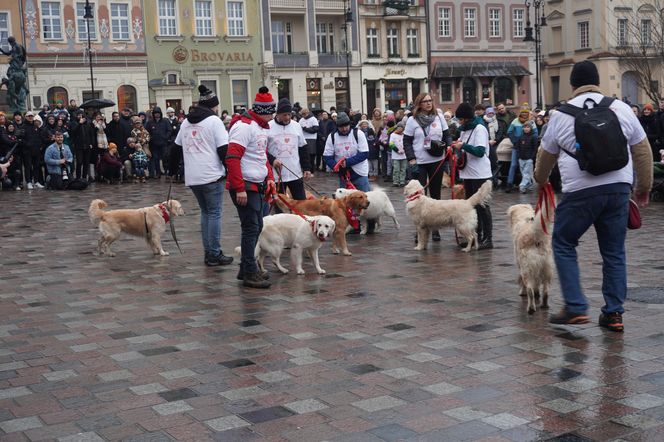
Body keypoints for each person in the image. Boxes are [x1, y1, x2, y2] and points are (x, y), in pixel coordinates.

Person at [534, 60, 653, 331]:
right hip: (618, 189)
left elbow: (545, 157)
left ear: (573, 85)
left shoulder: (561, 115)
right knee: (614, 252)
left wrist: (541, 182)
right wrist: (643, 188)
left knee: (564, 242)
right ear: (597, 81)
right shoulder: (620, 108)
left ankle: (575, 306)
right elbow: (642, 150)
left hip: (580, 192)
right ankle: (614, 314)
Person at [175, 84, 234, 267]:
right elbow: (224, 149)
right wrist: (231, 170)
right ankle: (214, 253)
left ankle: (209, 252)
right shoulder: (214, 121)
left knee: (206, 213)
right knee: (214, 213)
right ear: (213, 105)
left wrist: (172, 169)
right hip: (211, 174)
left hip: (193, 176)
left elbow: (175, 148)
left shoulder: (186, 122)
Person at [226, 86, 277, 288]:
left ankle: (245, 267)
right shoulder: (244, 127)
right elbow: (232, 158)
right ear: (264, 112)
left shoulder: (260, 127)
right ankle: (249, 271)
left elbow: (261, 157)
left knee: (258, 226)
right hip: (245, 186)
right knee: (251, 228)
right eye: (271, 111)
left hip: (257, 184)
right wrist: (239, 188)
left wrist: (270, 177)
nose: (273, 115)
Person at [404, 92, 451, 242]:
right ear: (419, 104)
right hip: (419, 161)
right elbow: (406, 141)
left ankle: (435, 228)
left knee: (436, 195)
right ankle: (420, 229)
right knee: (419, 196)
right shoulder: (412, 120)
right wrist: (411, 158)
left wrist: (449, 146)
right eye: (425, 101)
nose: (429, 103)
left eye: (430, 100)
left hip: (437, 159)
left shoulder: (439, 117)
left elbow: (447, 135)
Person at [451, 103, 493, 250]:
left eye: (461, 119)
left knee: (482, 206)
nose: (459, 122)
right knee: (471, 207)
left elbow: (480, 151)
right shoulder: (464, 130)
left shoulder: (479, 129)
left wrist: (462, 146)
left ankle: (487, 239)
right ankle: (476, 237)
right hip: (468, 173)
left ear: (467, 118)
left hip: (480, 173)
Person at [267, 98, 312, 200]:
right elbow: (262, 150)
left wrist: (307, 168)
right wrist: (272, 160)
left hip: (295, 173)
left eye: (289, 114)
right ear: (277, 114)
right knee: (280, 208)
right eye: (284, 115)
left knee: (301, 204)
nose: (287, 117)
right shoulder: (268, 127)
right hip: (276, 175)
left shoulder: (296, 126)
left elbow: (303, 148)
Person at [323, 112, 370, 191]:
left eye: (346, 126)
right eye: (341, 127)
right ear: (337, 126)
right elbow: (327, 156)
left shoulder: (358, 134)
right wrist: (337, 166)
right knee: (345, 202)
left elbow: (364, 153)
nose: (344, 129)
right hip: (343, 175)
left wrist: (347, 162)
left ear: (349, 124)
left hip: (360, 173)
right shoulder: (332, 137)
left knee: (364, 199)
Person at [505, 108, 537, 192]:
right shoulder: (515, 121)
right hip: (517, 147)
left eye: (526, 113)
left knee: (527, 168)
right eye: (522, 113)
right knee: (513, 165)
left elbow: (535, 133)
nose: (524, 115)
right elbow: (509, 132)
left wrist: (530, 139)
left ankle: (527, 184)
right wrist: (515, 141)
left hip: (528, 147)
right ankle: (509, 183)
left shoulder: (531, 122)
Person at [145, 106, 172, 179]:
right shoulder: (150, 122)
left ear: (160, 114)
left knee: (165, 158)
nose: (157, 115)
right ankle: (158, 172)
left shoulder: (165, 121)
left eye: (158, 113)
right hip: (154, 144)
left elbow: (169, 130)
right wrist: (150, 138)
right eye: (155, 113)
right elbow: (146, 132)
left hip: (163, 143)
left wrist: (166, 137)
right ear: (153, 114)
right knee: (155, 159)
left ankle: (166, 172)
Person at [70, 112, 96, 181]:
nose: (80, 117)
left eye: (82, 116)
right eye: (79, 115)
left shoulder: (88, 124)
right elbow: (73, 132)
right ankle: (78, 177)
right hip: (79, 146)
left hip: (87, 146)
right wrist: (79, 124)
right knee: (79, 162)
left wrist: (91, 143)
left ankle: (84, 177)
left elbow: (91, 135)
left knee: (86, 162)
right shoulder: (75, 123)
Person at [516, 123, 537, 193]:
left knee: (526, 173)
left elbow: (535, 148)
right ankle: (529, 184)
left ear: (530, 128)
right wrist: (519, 156)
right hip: (521, 158)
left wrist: (532, 158)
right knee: (524, 173)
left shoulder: (533, 137)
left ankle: (522, 186)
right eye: (525, 127)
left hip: (529, 159)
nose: (526, 129)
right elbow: (518, 147)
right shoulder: (521, 137)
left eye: (528, 127)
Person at [390, 120, 407, 187]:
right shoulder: (393, 135)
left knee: (403, 169)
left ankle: (402, 181)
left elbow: (406, 143)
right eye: (399, 127)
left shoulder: (404, 135)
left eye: (401, 128)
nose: (400, 129)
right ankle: (396, 181)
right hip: (396, 155)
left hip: (404, 155)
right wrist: (397, 150)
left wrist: (404, 150)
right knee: (396, 169)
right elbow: (391, 144)